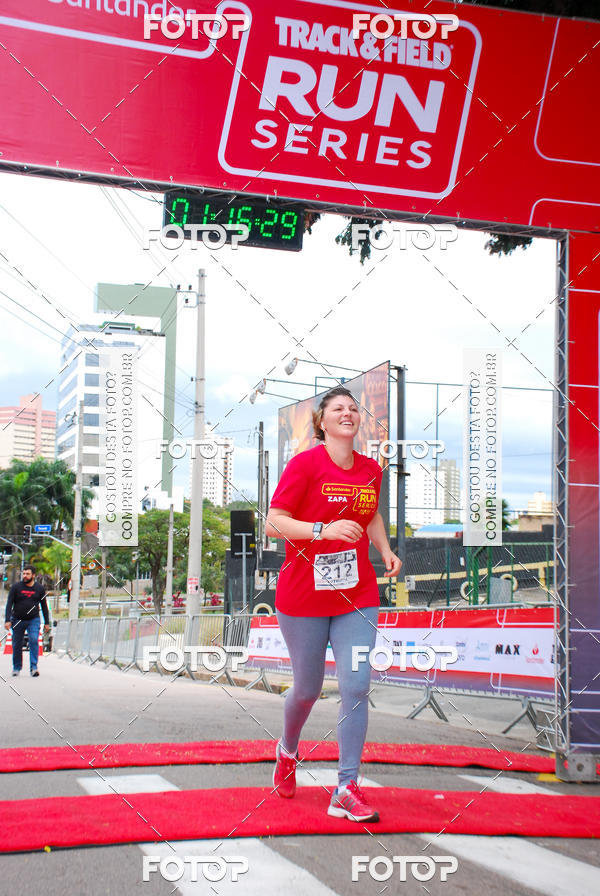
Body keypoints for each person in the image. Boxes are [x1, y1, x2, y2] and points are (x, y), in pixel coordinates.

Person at [265, 386, 402, 823]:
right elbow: (273, 523)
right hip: (303, 595)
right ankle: (287, 751)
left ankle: (346, 786)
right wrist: (322, 530)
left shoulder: (369, 470)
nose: (348, 413)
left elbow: (371, 514)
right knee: (306, 689)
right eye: (337, 409)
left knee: (356, 685)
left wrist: (384, 549)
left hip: (356, 593)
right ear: (322, 423)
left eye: (353, 408)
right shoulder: (304, 464)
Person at [4, 564, 50, 677]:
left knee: (34, 640)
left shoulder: (39, 588)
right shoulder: (16, 587)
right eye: (24, 573)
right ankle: (16, 667)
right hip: (17, 619)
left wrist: (47, 622)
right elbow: (9, 604)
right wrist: (7, 620)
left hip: (33, 619)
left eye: (27, 574)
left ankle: (34, 667)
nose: (25, 576)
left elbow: (44, 606)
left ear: (33, 575)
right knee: (16, 644)